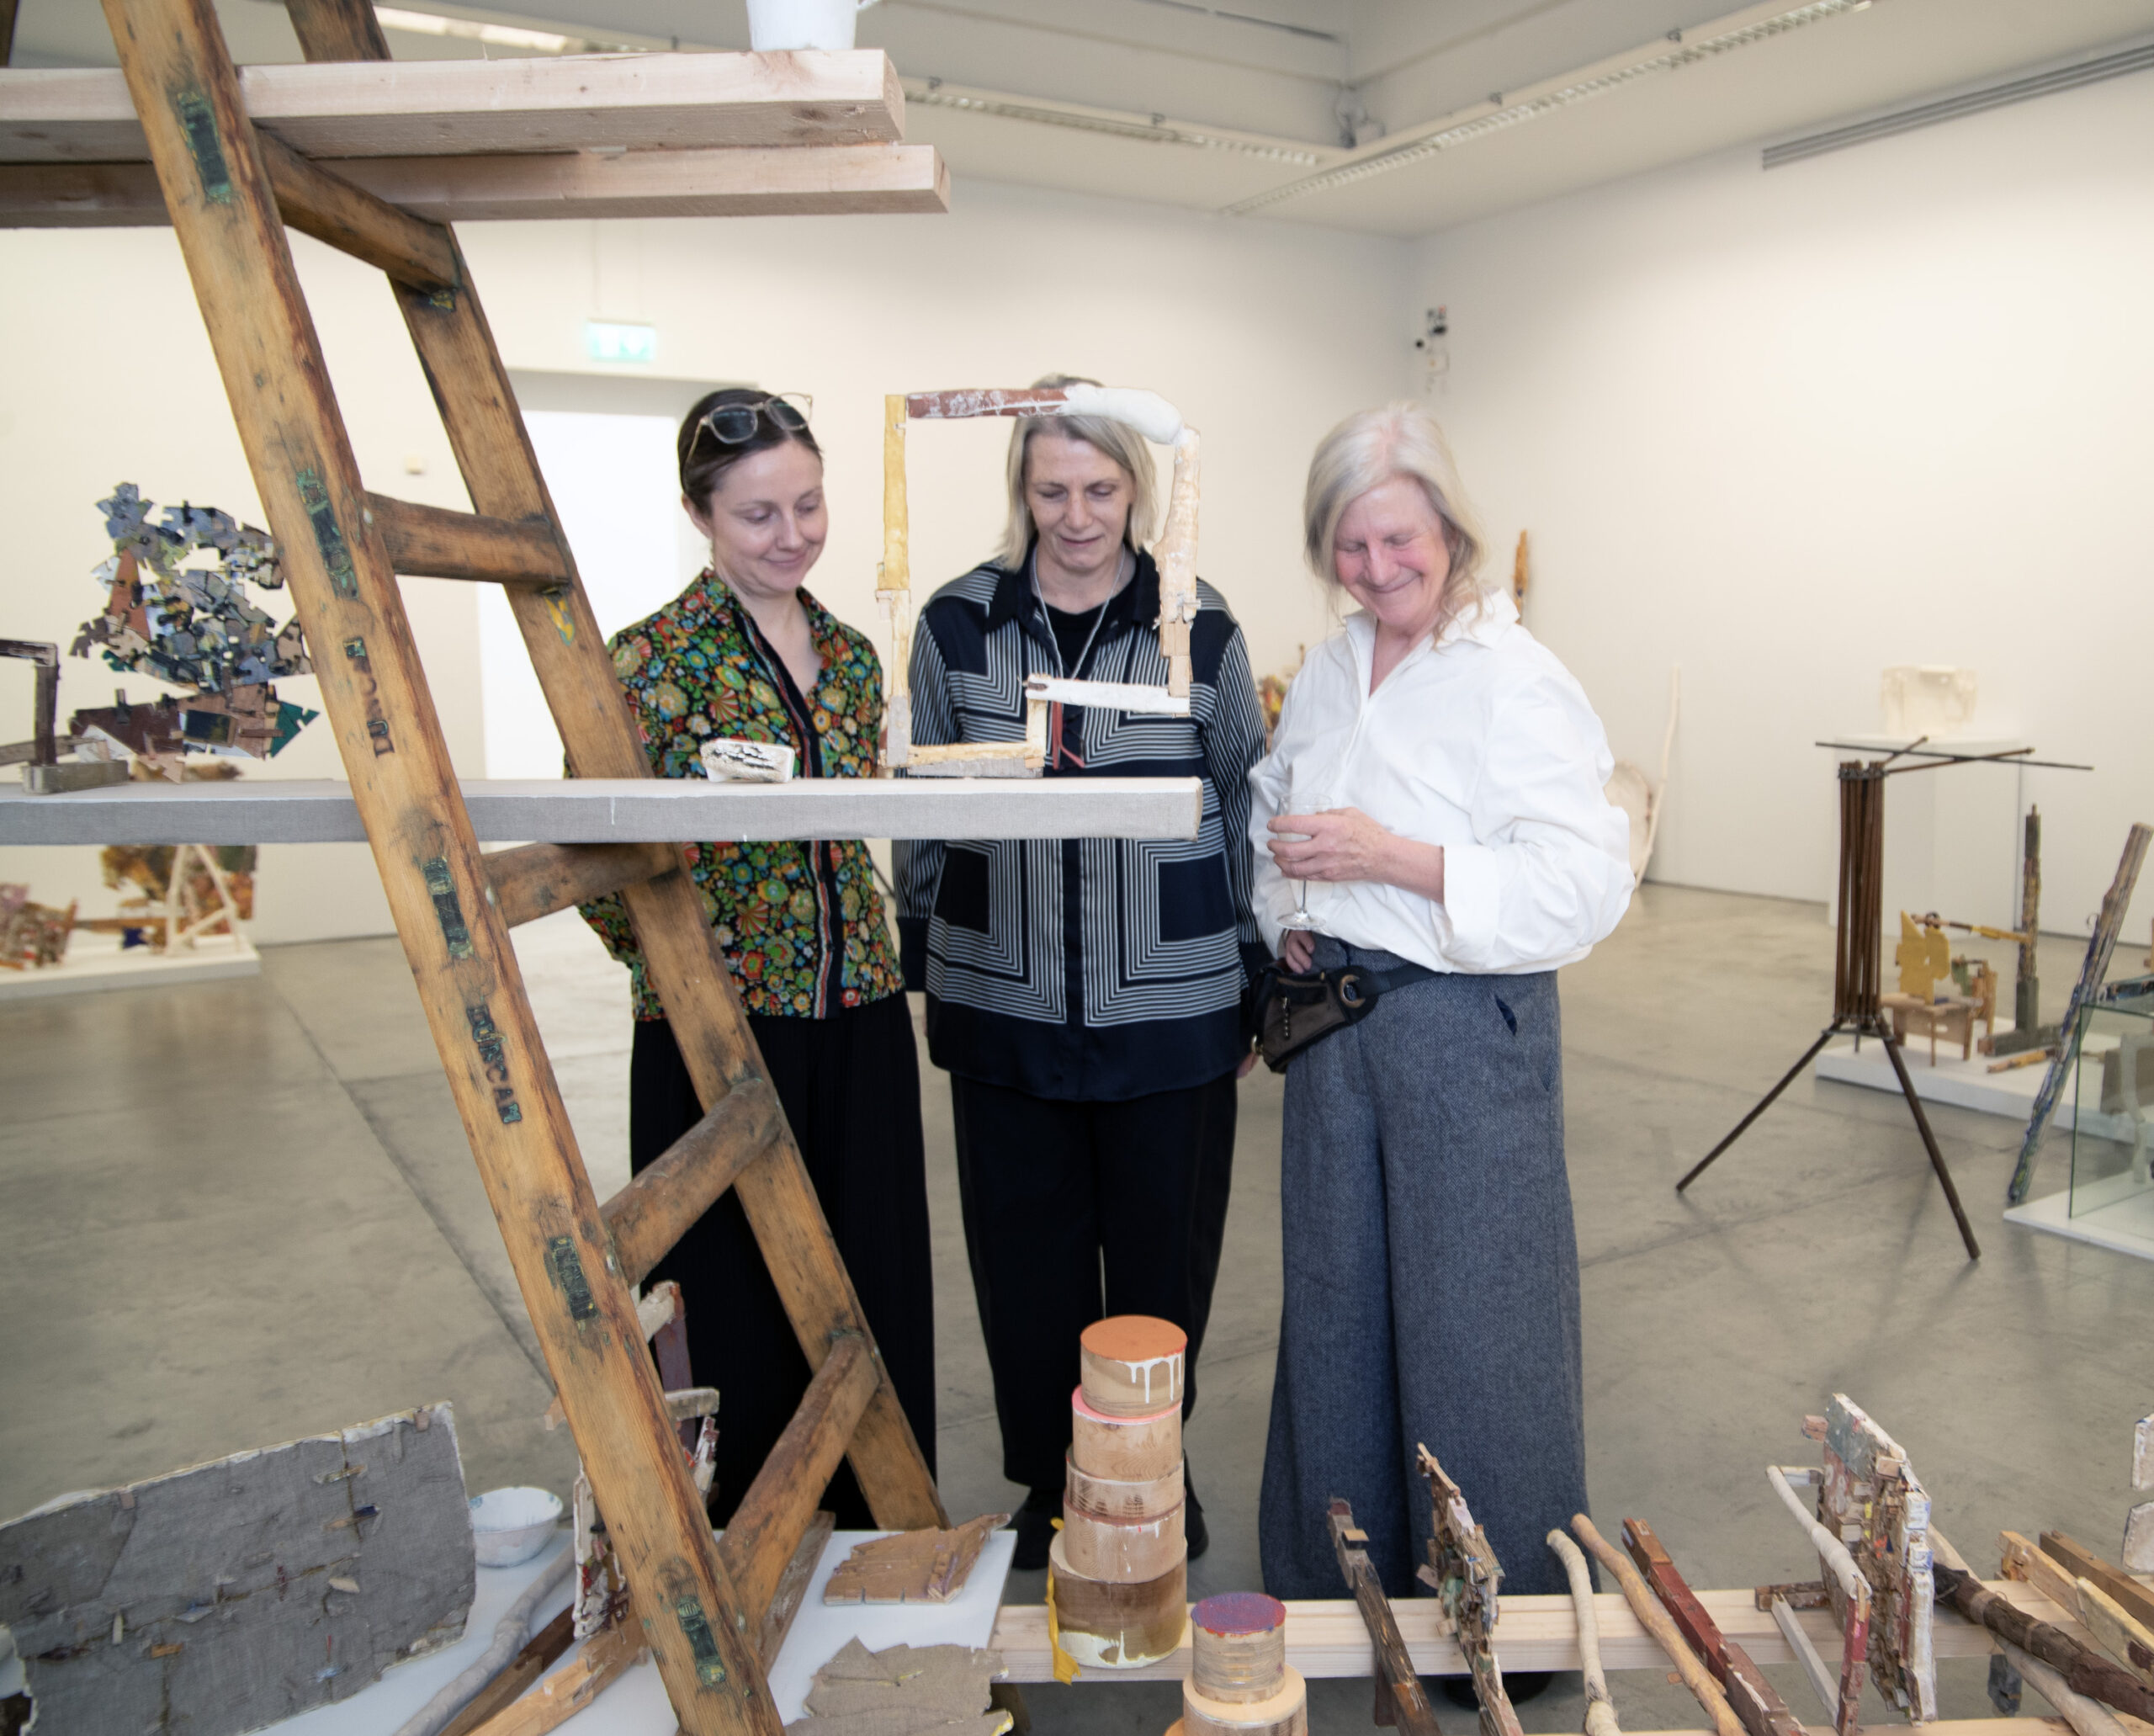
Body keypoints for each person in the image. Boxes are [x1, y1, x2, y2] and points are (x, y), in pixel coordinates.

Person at [1249, 405, 1631, 1645]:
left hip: (1465, 1035)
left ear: (1452, 531)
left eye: (1399, 540)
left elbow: (1583, 887)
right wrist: (1286, 912)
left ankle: (1503, 1625)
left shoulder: (1516, 680)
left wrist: (1394, 859)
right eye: (1350, 546)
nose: (1376, 570)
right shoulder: (1330, 669)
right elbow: (1273, 809)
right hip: (1336, 1030)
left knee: (1481, 1326)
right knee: (1336, 1313)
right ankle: (1337, 1598)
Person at [893, 376, 1267, 1569]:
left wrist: (1251, 969)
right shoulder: (958, 622)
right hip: (1002, 1001)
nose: (1077, 516)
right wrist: (927, 950)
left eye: (1100, 489)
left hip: (1173, 1007)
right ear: (1022, 488)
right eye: (1051, 490)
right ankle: (1053, 1488)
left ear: (1135, 489)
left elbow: (1243, 798)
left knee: (1160, 1270)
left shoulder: (1197, 624)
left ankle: (1148, 1472)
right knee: (1028, 1269)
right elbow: (917, 800)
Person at [580, 388, 933, 1527]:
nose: (792, 536)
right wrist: (683, 972)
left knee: (867, 1289)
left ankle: (876, 1536)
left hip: (862, 1016)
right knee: (731, 1300)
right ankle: (738, 1548)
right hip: (715, 1034)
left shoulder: (851, 657)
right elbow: (595, 858)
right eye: (757, 515)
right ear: (699, 515)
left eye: (809, 505)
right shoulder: (647, 663)